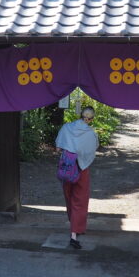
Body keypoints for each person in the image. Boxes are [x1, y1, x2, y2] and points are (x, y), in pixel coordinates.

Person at [54, 106, 99, 249]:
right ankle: (75, 232)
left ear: (80, 115)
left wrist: (69, 150)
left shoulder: (66, 128)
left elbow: (58, 148)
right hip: (82, 169)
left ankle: (74, 227)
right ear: (91, 119)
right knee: (80, 200)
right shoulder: (91, 134)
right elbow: (93, 150)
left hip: (67, 169)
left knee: (69, 197)